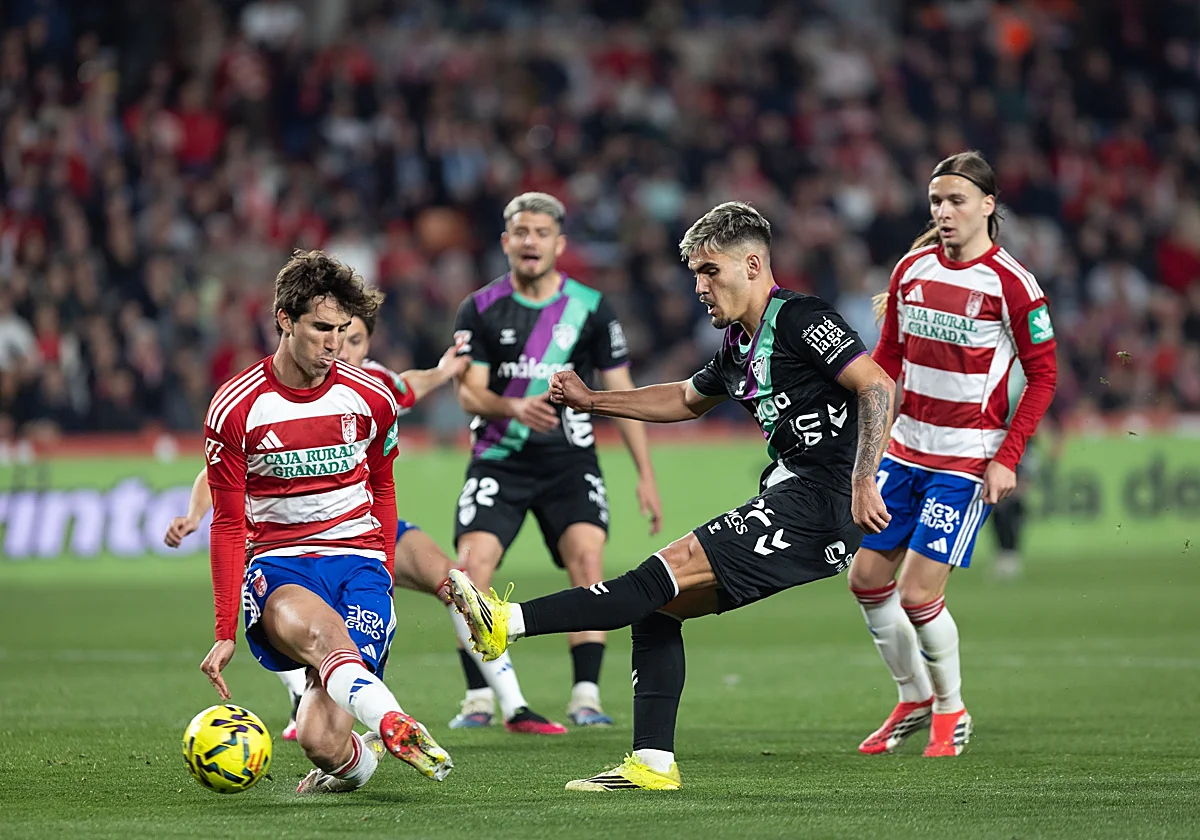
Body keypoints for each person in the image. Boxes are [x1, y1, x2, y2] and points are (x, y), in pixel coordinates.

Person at [447, 201, 896, 790]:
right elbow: (686, 398)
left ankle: (507, 621)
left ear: (754, 265)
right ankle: (651, 764)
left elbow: (876, 385)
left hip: (821, 500)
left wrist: (864, 476)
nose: (700, 287)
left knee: (666, 568)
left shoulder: (797, 318)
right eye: (696, 275)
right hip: (799, 496)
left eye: (711, 271)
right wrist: (594, 402)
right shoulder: (741, 344)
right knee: (657, 607)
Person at [168, 309, 565, 740]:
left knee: (455, 580)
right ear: (291, 327)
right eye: (330, 333)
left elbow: (409, 387)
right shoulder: (258, 400)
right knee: (296, 622)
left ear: (367, 344)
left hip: (363, 531)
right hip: (288, 545)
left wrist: (443, 371)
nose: (340, 347)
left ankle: (512, 703)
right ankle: (305, 698)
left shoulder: (372, 386)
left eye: (352, 338)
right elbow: (218, 472)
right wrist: (195, 515)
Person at [197, 250, 453, 796]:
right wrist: (224, 632)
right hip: (281, 565)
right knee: (321, 634)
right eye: (320, 328)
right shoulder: (237, 408)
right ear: (285, 321)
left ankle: (360, 763)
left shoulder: (371, 397)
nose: (334, 343)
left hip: (359, 560)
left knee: (322, 741)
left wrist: (383, 570)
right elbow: (224, 525)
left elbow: (383, 487)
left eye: (342, 329)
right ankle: (393, 722)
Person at [850, 151, 1058, 758]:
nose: (943, 211)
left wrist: (1008, 457)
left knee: (916, 594)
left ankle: (951, 708)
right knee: (865, 579)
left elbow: (1043, 376)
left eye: (957, 200)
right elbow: (887, 357)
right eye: (937, 200)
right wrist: (873, 430)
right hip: (906, 450)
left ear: (988, 207)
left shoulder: (1013, 284)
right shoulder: (911, 268)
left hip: (966, 460)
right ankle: (913, 696)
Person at [450, 191, 663, 729]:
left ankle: (585, 695)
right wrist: (512, 406)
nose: (530, 242)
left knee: (588, 564)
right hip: (499, 458)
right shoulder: (478, 308)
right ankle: (479, 697)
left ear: (559, 243)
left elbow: (622, 391)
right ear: (506, 241)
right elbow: (469, 394)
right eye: (521, 232)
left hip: (571, 461)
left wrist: (645, 475)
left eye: (541, 234)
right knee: (470, 570)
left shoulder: (591, 308)